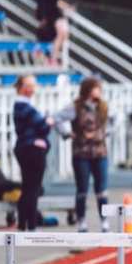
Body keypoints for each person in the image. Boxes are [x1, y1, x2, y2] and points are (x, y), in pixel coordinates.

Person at [55, 76, 112, 232]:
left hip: (100, 153)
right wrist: (68, 133)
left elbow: (113, 121)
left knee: (102, 189)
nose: (99, 91)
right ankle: (81, 221)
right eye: (96, 88)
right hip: (81, 154)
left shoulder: (103, 107)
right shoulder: (76, 107)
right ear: (88, 89)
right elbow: (57, 118)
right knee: (82, 189)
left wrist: (103, 133)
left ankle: (104, 220)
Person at [12, 74, 51, 231]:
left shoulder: (23, 106)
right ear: (22, 87)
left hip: (24, 148)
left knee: (27, 186)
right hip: (32, 149)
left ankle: (23, 224)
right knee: (33, 187)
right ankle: (32, 224)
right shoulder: (24, 107)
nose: (33, 88)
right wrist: (47, 121)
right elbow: (43, 127)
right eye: (30, 85)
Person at [36, 0, 73, 66]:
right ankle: (52, 58)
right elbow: (57, 2)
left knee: (62, 35)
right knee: (61, 34)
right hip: (54, 17)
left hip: (53, 17)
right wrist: (68, 7)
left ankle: (51, 57)